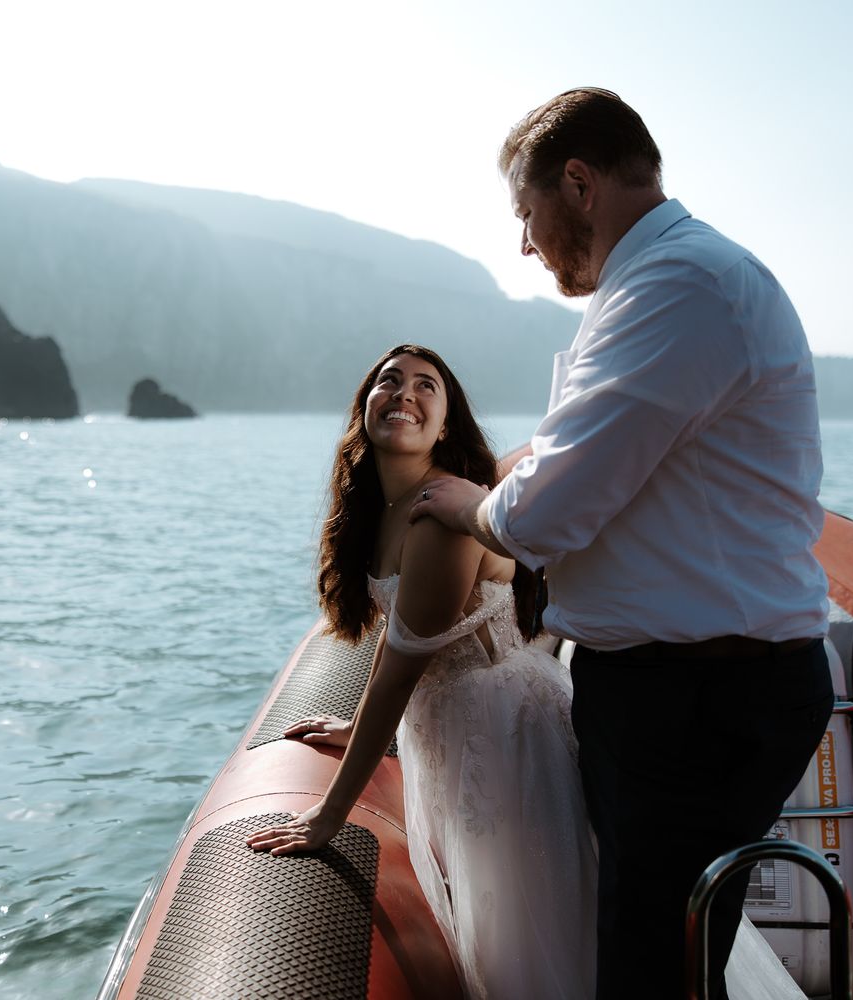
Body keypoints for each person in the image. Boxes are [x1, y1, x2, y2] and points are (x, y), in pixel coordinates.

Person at [411, 88, 835, 999]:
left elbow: (538, 519)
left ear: (578, 182)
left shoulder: (680, 287)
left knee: (648, 961)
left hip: (697, 698)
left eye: (525, 214)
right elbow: (582, 447)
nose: (524, 243)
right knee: (667, 945)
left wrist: (457, 504)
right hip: (682, 687)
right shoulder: (656, 287)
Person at [245, 344, 805, 1000]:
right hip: (451, 731)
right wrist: (358, 725)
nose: (404, 393)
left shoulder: (440, 521)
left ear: (446, 424)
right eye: (388, 381)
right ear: (363, 407)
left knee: (543, 929)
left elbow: (399, 671)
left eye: (427, 386)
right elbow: (399, 654)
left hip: (503, 737)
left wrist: (328, 815)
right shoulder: (382, 512)